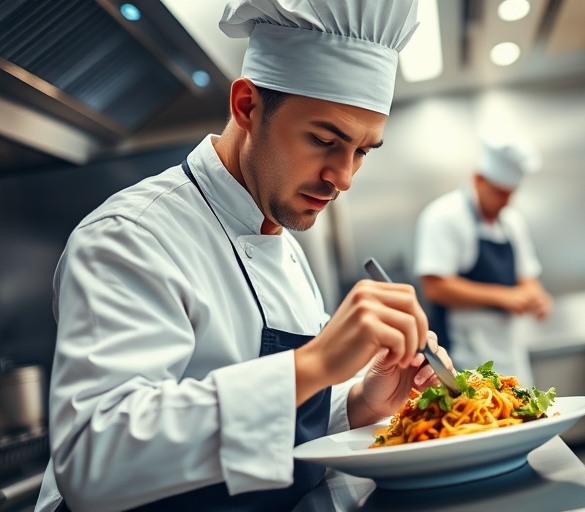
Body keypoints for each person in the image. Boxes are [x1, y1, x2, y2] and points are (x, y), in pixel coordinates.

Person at [35, 1, 453, 510]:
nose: (343, 176)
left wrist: (358, 401)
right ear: (247, 106)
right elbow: (92, 461)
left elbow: (280, 423)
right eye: (324, 139)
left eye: (362, 151)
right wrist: (315, 363)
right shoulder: (130, 237)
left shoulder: (285, 247)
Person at [413, 135, 552, 387]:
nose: (506, 202)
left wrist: (537, 297)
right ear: (479, 179)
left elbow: (528, 278)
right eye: (500, 193)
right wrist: (502, 296)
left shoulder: (512, 222)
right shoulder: (444, 216)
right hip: (463, 352)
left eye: (511, 194)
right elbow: (435, 287)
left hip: (510, 349)